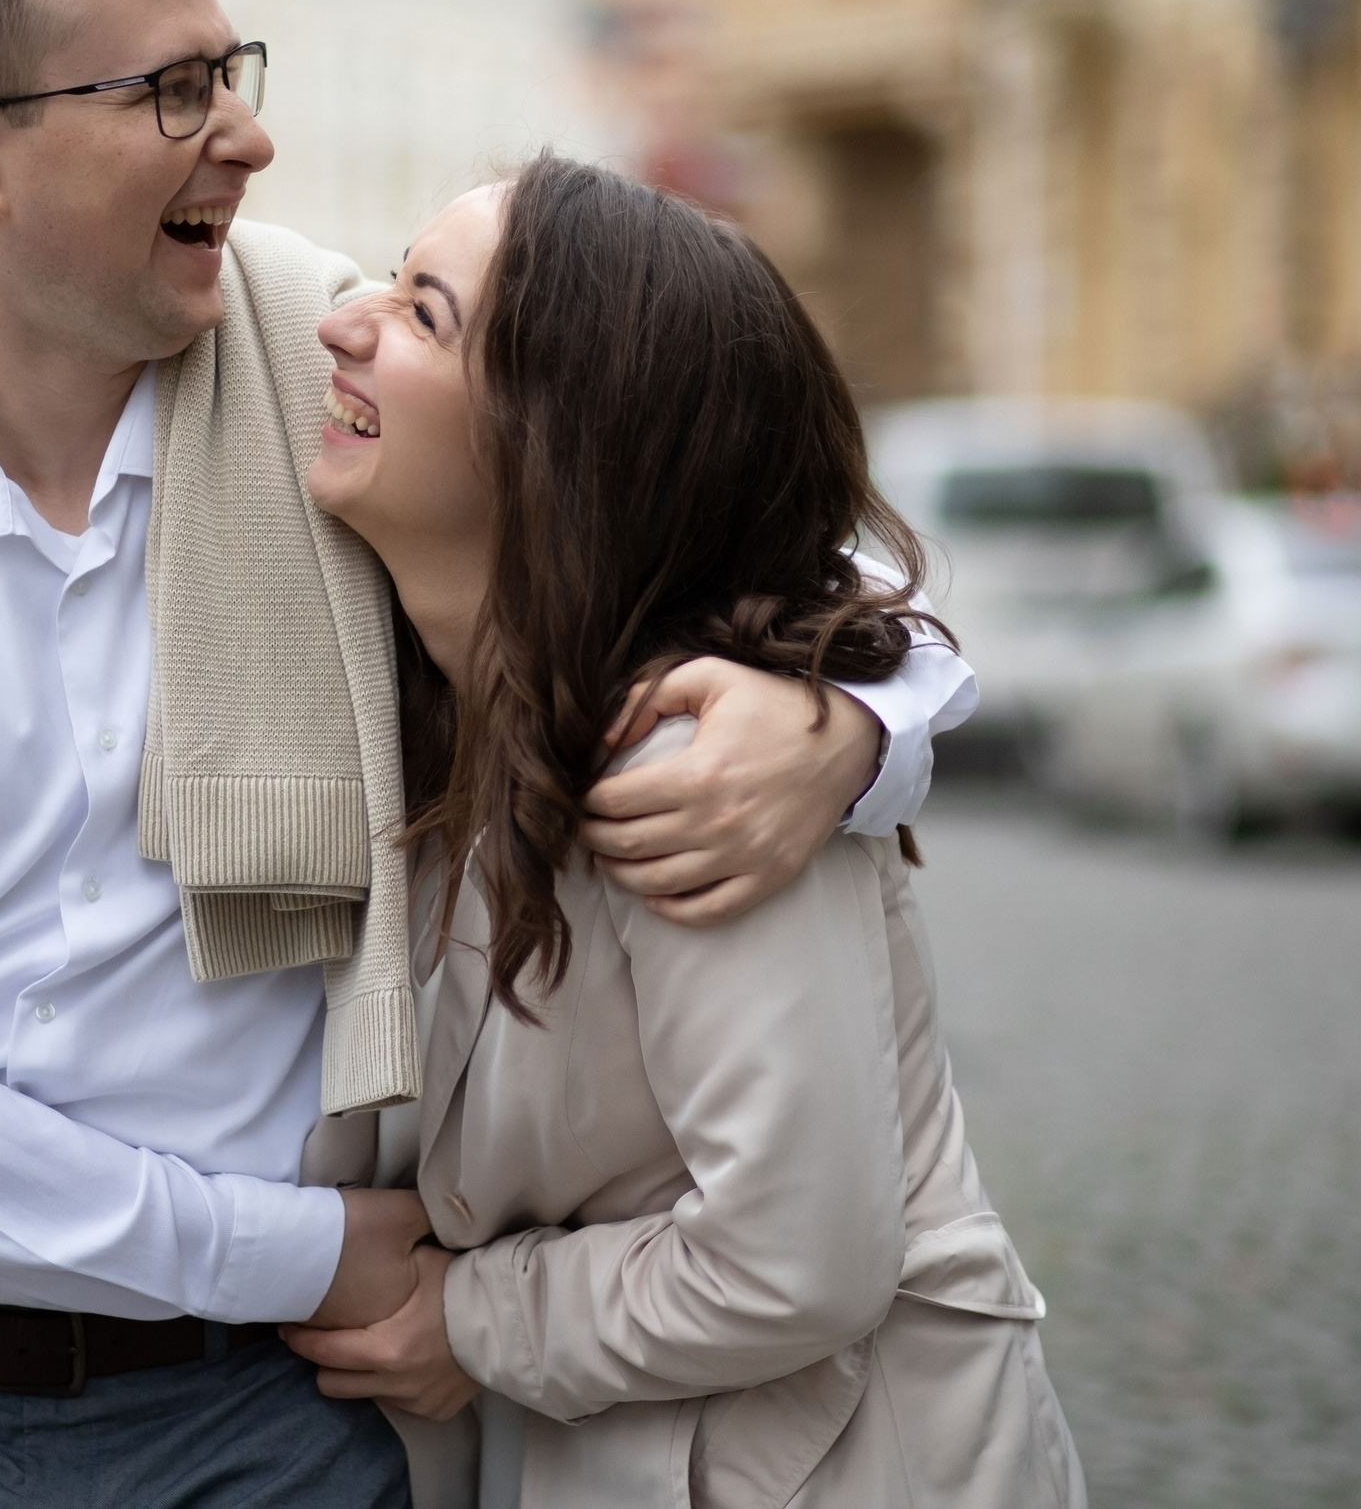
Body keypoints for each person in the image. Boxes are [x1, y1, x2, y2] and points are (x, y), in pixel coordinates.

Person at [0, 0, 976, 1509]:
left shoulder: (332, 376)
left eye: (233, 69)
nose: (248, 135)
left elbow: (715, 528)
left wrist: (846, 727)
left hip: (275, 1428)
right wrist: (288, 1252)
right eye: (173, 91)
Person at [285, 159, 1085, 1508]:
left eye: (424, 312)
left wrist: (468, 1321)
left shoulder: (697, 775)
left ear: (558, 443)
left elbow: (793, 1260)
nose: (340, 321)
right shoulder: (440, 717)